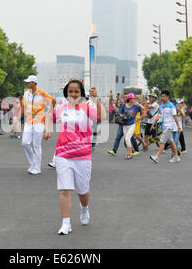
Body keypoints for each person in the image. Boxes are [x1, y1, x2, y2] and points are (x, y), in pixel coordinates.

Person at [44, 79, 105, 235]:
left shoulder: (88, 107)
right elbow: (49, 117)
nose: (73, 94)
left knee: (83, 191)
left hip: (83, 156)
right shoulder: (61, 108)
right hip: (63, 154)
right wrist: (47, 130)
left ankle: (84, 209)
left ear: (81, 93)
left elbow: (102, 116)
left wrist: (96, 99)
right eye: (70, 91)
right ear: (66, 93)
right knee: (65, 190)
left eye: (76, 91)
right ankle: (66, 223)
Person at [21, 75, 55, 175]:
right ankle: (33, 163)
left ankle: (37, 167)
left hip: (39, 121)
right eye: (27, 82)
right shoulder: (26, 94)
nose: (27, 84)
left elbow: (53, 101)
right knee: (25, 143)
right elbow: (23, 106)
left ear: (34, 83)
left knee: (36, 145)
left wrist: (49, 111)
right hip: (28, 121)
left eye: (29, 82)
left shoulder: (42, 93)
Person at [107, 93, 144, 159]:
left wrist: (137, 103)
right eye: (133, 98)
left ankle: (129, 153)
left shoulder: (135, 106)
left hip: (132, 125)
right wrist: (123, 116)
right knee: (127, 139)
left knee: (127, 138)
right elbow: (120, 113)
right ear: (129, 99)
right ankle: (130, 153)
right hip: (124, 125)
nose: (134, 99)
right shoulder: (124, 105)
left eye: (134, 98)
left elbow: (143, 108)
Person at [149, 91, 182, 164]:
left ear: (167, 97)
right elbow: (158, 116)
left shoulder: (171, 106)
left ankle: (156, 157)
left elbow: (175, 117)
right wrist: (153, 124)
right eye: (161, 96)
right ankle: (176, 157)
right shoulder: (161, 106)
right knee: (171, 142)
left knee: (162, 141)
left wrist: (179, 127)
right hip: (164, 126)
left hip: (169, 127)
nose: (162, 98)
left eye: (163, 96)